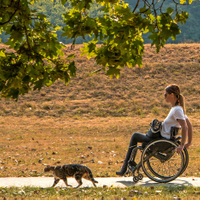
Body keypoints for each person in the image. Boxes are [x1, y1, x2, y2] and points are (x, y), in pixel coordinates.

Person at [116, 84, 193, 176]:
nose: (164, 97)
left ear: (172, 95)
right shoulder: (178, 109)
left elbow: (185, 127)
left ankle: (124, 169)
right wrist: (189, 142)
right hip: (162, 139)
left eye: (166, 94)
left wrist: (182, 144)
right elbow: (189, 126)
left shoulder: (177, 110)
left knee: (135, 136)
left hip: (162, 141)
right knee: (142, 141)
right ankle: (128, 165)